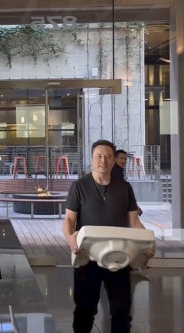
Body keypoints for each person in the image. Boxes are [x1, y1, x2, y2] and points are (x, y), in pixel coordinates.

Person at [62, 139, 155, 333]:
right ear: (92, 159)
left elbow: (134, 221)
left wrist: (148, 242)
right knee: (84, 312)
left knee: (122, 313)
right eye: (98, 156)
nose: (103, 161)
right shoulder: (79, 186)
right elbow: (69, 220)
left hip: (120, 256)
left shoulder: (124, 188)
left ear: (114, 161)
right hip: (87, 257)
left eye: (107, 157)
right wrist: (70, 238)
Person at [111, 149, 143, 216]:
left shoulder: (119, 171)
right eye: (122, 158)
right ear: (115, 159)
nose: (124, 161)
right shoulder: (114, 172)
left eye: (125, 159)